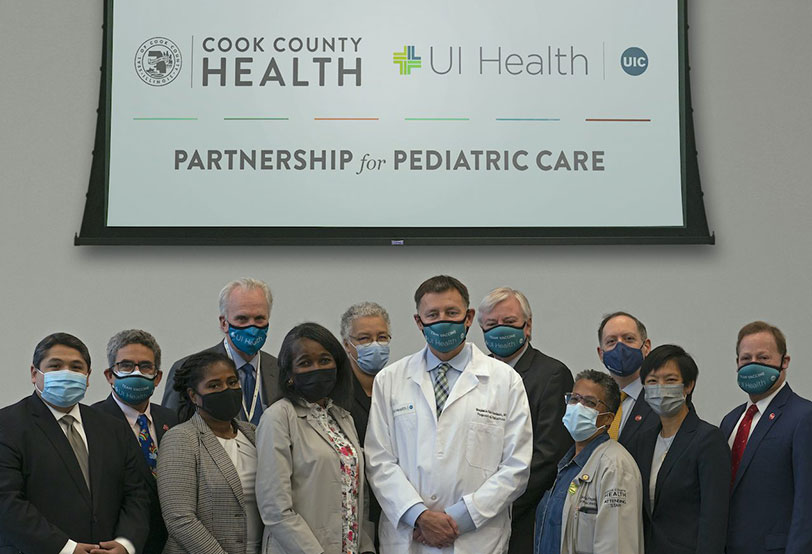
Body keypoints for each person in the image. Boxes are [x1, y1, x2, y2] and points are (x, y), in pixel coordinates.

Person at [365, 275, 532, 553]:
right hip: (410, 535)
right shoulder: (390, 379)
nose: (443, 321)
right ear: (419, 322)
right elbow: (379, 460)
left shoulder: (505, 380)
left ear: (468, 317)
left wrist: (457, 519)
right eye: (433, 314)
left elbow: (516, 467)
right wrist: (419, 515)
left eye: (452, 313)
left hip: (475, 538)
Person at [0, 333, 149, 554]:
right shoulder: (8, 425)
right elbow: (6, 501)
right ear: (34, 373)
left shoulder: (112, 428)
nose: (67, 373)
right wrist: (66, 548)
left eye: (76, 367)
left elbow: (136, 493)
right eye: (55, 366)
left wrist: (126, 544)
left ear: (87, 377)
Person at [255, 322, 375, 554]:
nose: (317, 368)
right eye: (305, 363)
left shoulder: (342, 416)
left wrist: (366, 547)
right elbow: (275, 509)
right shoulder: (278, 418)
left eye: (324, 360)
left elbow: (359, 495)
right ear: (289, 373)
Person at [477, 287, 573, 554]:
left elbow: (550, 455)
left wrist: (497, 505)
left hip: (524, 517)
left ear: (527, 326)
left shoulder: (553, 374)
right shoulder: (473, 376)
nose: (500, 330)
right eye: (492, 324)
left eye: (509, 323)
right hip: (474, 518)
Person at [625, 345, 729, 554]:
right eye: (652, 381)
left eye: (670, 380)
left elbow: (714, 518)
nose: (660, 387)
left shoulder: (708, 439)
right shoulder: (642, 441)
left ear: (688, 385)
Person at [720, 321, 812, 554]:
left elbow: (807, 502)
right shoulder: (730, 421)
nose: (753, 365)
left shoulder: (803, 417)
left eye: (763, 358)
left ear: (785, 362)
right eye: (746, 359)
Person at [157, 351, 262, 554]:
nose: (227, 390)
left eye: (232, 382)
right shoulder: (182, 438)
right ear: (193, 395)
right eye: (214, 385)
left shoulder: (253, 433)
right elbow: (180, 519)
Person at [534, 369, 644, 554]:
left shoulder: (615, 466)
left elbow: (617, 546)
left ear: (608, 418)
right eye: (575, 399)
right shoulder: (568, 465)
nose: (578, 407)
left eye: (590, 403)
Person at [93, 329, 179, 554]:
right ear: (110, 375)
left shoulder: (171, 419)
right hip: (116, 544)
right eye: (126, 366)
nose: (136, 372)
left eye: (145, 366)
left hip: (170, 544)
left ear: (158, 377)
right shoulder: (92, 422)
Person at [162, 278, 280, 425]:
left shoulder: (281, 369)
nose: (252, 327)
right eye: (242, 319)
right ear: (224, 323)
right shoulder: (187, 369)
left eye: (259, 318)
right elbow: (170, 428)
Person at [340, 301, 393, 545]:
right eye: (364, 338)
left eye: (382, 337)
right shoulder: (336, 396)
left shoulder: (398, 386)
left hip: (393, 506)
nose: (375, 345)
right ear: (346, 344)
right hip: (351, 509)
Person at [596, 311, 658, 446]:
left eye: (629, 339)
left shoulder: (661, 399)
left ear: (646, 347)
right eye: (611, 341)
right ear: (601, 354)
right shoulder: (594, 402)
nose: (620, 347)